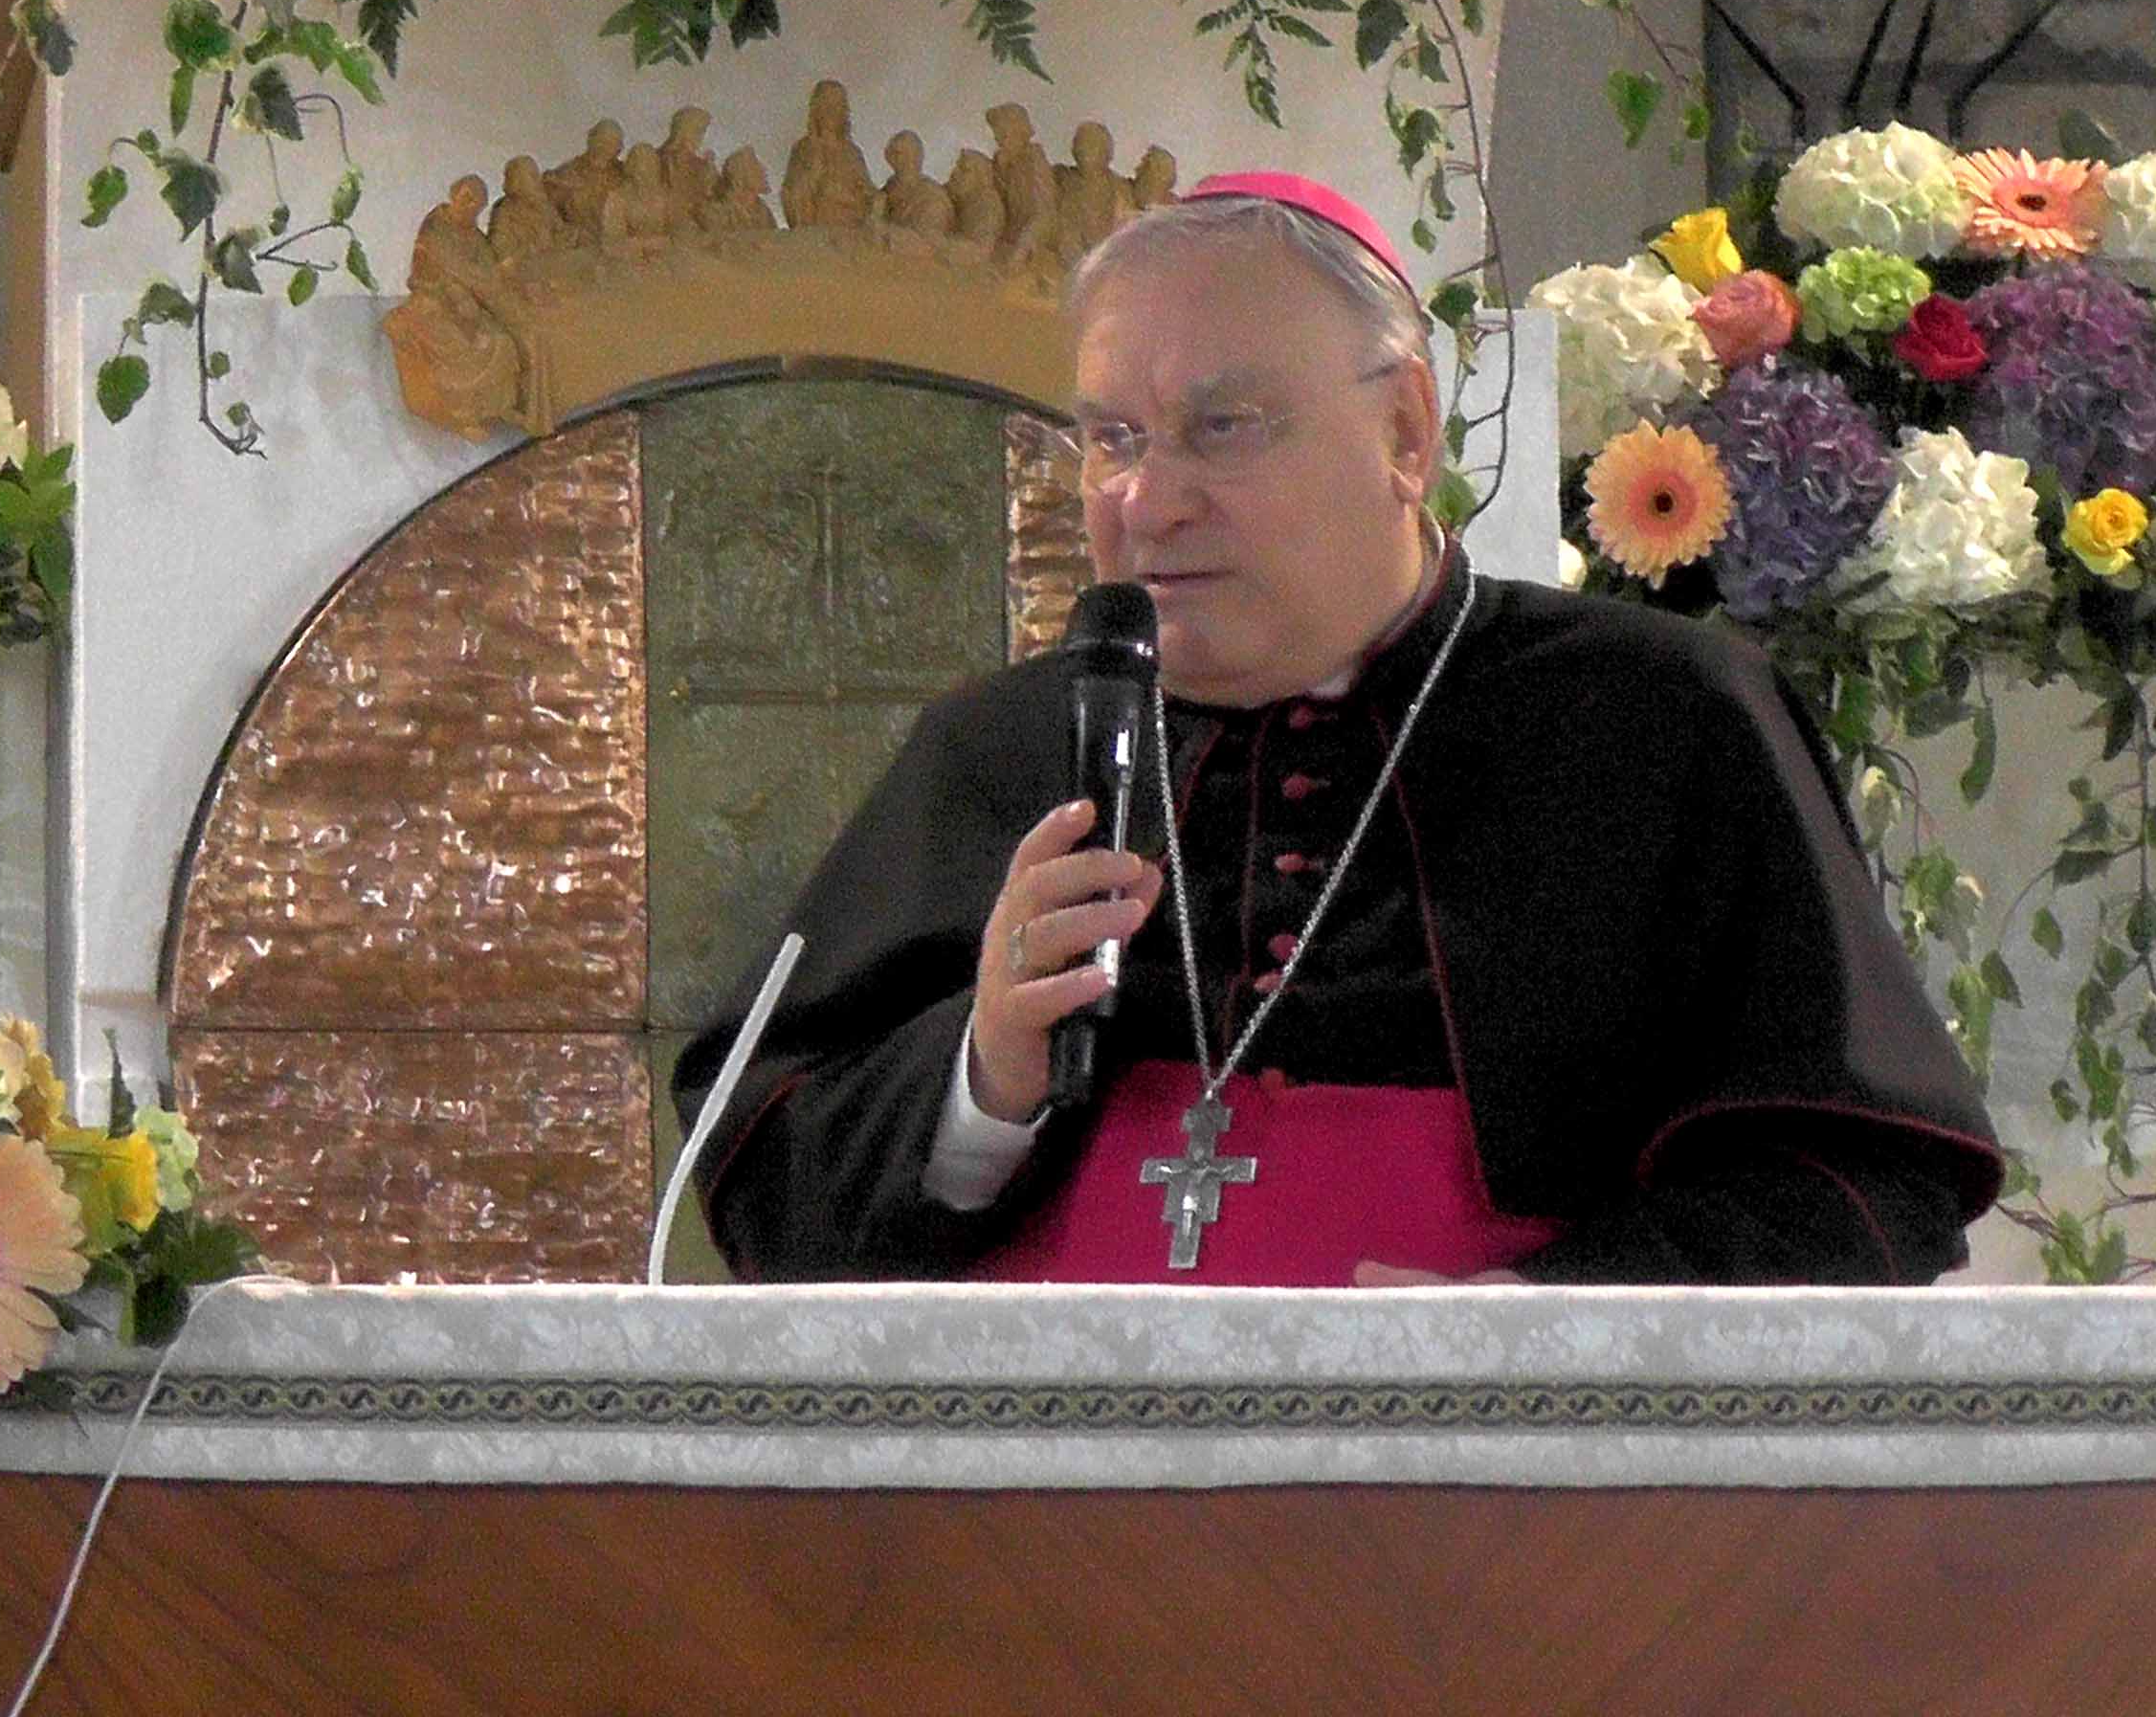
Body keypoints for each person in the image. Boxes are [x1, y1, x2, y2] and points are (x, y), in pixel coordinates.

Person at [675, 174, 2002, 1285]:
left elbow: (1861, 1182)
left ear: (1406, 433)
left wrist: (1542, 1334)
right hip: (1044, 1499)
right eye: (1113, 438)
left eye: (1221, 428)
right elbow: (759, 1176)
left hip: (1509, 1500)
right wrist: (985, 1075)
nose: (1146, 501)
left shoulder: (1658, 718)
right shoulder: (1001, 750)